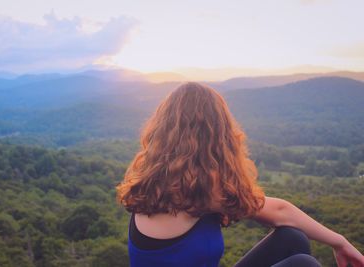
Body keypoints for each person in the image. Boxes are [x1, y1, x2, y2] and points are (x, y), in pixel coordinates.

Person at [116, 82, 364, 267]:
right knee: (304, 265)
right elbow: (280, 212)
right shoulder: (201, 187)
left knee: (292, 239)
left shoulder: (153, 178)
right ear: (217, 130)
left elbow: (281, 217)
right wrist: (340, 242)